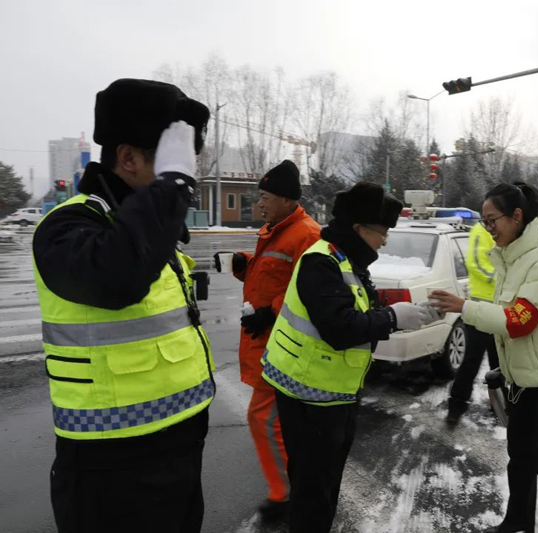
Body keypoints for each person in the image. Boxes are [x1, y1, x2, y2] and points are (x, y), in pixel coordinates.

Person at [32, 79, 214, 533]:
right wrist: (172, 186)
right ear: (128, 158)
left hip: (179, 446)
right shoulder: (68, 225)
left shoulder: (143, 225)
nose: (185, 179)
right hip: (110, 466)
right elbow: (117, 278)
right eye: (171, 162)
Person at [262, 182, 440, 532]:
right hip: (309, 397)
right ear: (358, 228)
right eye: (382, 232)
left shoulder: (346, 260)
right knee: (313, 493)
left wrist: (413, 313)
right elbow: (340, 327)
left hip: (333, 393)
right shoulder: (320, 261)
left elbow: (359, 310)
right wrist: (393, 318)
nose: (384, 241)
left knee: (325, 485)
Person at [432, 182, 538, 533]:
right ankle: (518, 520)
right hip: (524, 377)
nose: (488, 229)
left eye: (492, 220)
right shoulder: (510, 256)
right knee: (519, 456)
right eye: (484, 222)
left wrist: (464, 308)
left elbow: (520, 321)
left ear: (517, 216)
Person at [213, 159, 320, 520]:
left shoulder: (306, 235)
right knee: (278, 421)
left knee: (263, 418)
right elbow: (271, 274)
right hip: (267, 341)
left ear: (287, 199)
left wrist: (269, 313)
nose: (259, 203)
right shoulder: (274, 230)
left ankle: (285, 494)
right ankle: (292, 488)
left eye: (265, 197)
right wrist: (244, 262)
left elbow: (305, 287)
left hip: (283, 346)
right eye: (259, 196)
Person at [446, 221, 500, 425]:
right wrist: (501, 278)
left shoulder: (502, 231)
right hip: (479, 308)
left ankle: (499, 405)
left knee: (499, 363)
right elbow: (475, 263)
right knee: (471, 360)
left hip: (499, 309)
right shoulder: (480, 230)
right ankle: (457, 405)